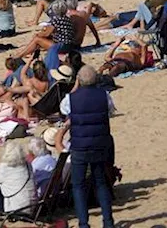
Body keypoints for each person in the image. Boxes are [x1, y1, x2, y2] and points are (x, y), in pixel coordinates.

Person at [65, 65, 115, 228]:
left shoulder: (70, 99)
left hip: (80, 145)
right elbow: (110, 112)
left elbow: (63, 110)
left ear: (79, 80)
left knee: (78, 185)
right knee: (100, 182)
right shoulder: (104, 95)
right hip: (99, 143)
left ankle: (84, 223)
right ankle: (108, 222)